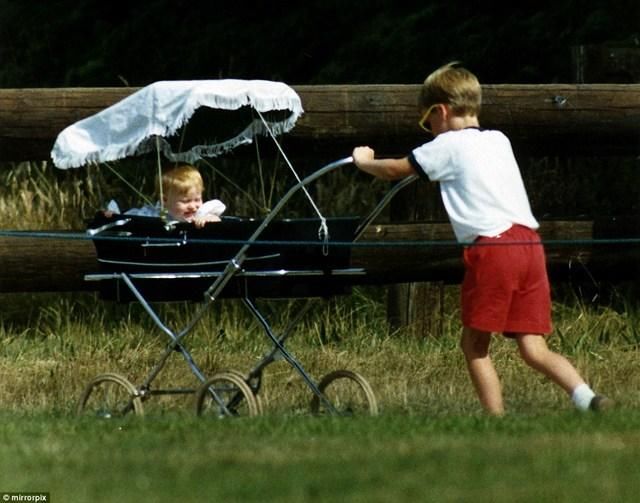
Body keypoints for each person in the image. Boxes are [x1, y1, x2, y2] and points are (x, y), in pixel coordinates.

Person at [352, 62, 611, 415]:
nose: (429, 130)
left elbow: (396, 169)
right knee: (533, 347)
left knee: (474, 345)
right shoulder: (498, 140)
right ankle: (586, 397)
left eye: (426, 122)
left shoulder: (446, 145)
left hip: (493, 248)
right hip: (529, 245)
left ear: (439, 112)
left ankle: (495, 418)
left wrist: (364, 162)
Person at [114, 163, 225, 228]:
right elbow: (127, 219)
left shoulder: (201, 213)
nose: (193, 206)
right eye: (186, 201)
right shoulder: (157, 213)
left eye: (197, 199)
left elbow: (217, 217)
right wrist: (113, 216)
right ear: (164, 200)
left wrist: (210, 220)